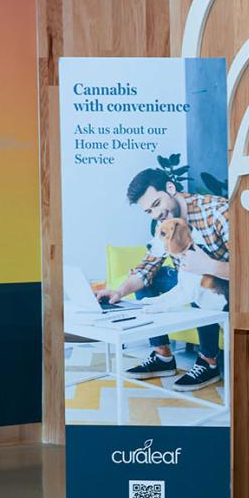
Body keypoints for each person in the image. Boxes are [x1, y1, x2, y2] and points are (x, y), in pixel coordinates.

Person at [97, 168, 229, 391]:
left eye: (157, 204)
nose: (155, 215)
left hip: (226, 289)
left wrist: (209, 266)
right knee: (152, 277)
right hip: (191, 284)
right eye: (149, 211)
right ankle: (163, 356)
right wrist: (119, 292)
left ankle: (208, 362)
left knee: (197, 284)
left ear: (170, 188)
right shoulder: (164, 221)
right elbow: (147, 266)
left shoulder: (217, 212)